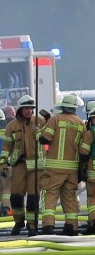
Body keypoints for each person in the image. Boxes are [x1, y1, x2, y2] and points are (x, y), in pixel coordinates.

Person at [36, 94, 85, 235]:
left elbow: (44, 139)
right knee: (69, 197)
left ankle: (48, 226)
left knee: (49, 195)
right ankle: (72, 227)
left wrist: (39, 131)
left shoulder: (55, 119)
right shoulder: (80, 123)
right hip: (72, 169)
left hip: (54, 168)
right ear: (75, 107)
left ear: (63, 106)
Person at [0, 95, 45, 236]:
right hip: (19, 164)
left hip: (36, 166)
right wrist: (3, 163)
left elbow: (52, 132)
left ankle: (32, 226)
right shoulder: (11, 127)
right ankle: (19, 222)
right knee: (16, 196)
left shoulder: (40, 122)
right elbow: (6, 146)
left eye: (31, 109)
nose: (29, 111)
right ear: (20, 110)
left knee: (33, 198)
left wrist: (49, 118)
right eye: (26, 108)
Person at [78, 107, 95, 234]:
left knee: (92, 198)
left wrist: (82, 166)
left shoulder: (90, 133)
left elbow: (83, 151)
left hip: (93, 173)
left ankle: (93, 223)